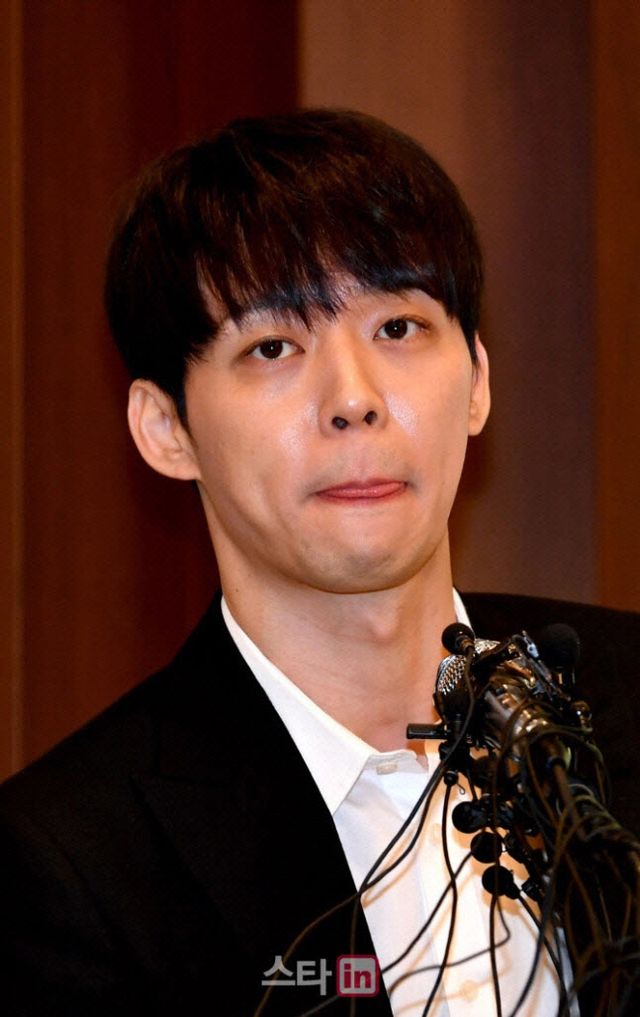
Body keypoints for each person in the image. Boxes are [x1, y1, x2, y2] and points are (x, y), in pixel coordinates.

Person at [1, 109, 639, 1017]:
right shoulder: (70, 863)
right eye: (273, 347)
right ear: (166, 427)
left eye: (399, 328)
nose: (354, 398)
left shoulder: (628, 694)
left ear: (478, 381)